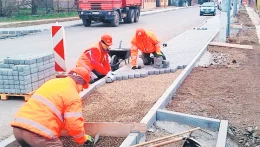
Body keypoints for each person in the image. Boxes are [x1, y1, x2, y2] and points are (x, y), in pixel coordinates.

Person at [10, 67, 94, 147]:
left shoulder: (52, 82)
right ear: (80, 83)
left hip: (18, 129)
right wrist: (83, 139)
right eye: (83, 87)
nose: (81, 90)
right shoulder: (73, 96)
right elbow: (74, 124)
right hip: (36, 134)